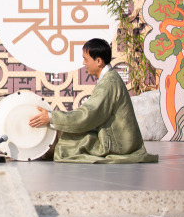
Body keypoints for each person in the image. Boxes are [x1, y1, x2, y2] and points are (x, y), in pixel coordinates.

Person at [28, 38, 158, 164]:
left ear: (99, 61)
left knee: (65, 143)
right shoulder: (109, 79)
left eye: (86, 59)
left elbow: (88, 114)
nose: (84, 63)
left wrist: (51, 117)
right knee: (67, 134)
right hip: (119, 138)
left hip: (118, 143)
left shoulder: (109, 83)